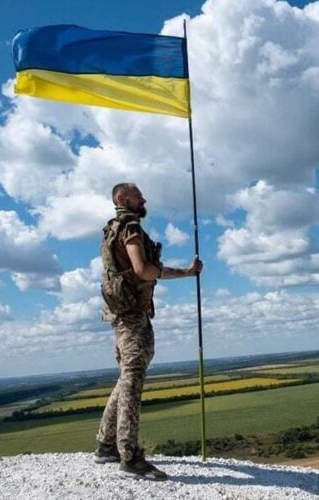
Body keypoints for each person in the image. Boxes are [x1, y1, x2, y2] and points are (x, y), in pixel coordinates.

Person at [93, 182, 203, 480]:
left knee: (126, 377)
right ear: (122, 198)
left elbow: (144, 272)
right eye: (138, 195)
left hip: (122, 315)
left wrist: (185, 272)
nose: (144, 199)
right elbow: (143, 270)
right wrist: (165, 271)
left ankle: (106, 446)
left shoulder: (114, 229)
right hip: (132, 317)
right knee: (132, 381)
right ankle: (129, 457)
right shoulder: (129, 226)